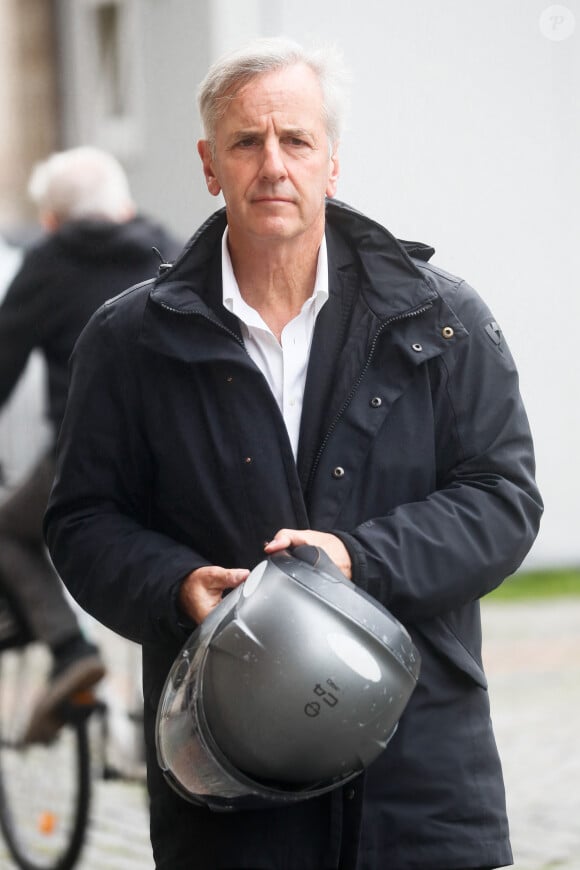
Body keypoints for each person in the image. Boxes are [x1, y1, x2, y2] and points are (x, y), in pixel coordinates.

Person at [44, 39, 543, 870]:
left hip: (421, 785)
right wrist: (175, 587)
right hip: (232, 788)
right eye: (246, 142)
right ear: (210, 164)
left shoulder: (441, 318)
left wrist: (358, 561)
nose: (272, 164)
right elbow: (84, 520)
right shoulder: (130, 340)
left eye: (296, 141)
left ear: (332, 161)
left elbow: (504, 497)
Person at [0, 146, 182, 742]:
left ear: (51, 220)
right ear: (124, 205)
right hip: (185, 459)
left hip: (86, 462)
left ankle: (69, 648)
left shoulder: (48, 262)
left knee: (8, 529)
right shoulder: (173, 250)